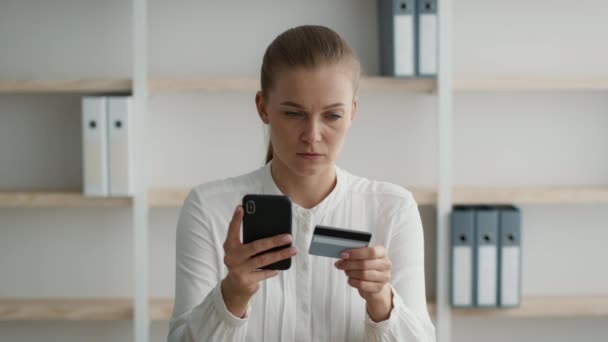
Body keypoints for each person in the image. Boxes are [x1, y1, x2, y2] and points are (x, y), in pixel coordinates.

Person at [168, 25, 435, 342]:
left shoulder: (393, 209)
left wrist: (381, 301)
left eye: (332, 116)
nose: (312, 135)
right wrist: (233, 294)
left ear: (352, 112)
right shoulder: (209, 208)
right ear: (263, 108)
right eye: (294, 114)